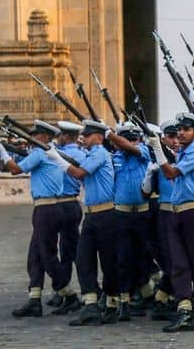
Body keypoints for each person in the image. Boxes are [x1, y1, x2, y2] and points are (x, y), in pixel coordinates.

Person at [0, 120, 70, 319]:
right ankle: (34, 299)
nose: (32, 138)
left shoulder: (41, 153)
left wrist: (3, 151)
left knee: (47, 257)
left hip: (46, 210)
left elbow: (16, 169)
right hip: (48, 209)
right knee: (35, 256)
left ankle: (69, 294)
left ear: (43, 137)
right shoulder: (51, 152)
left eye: (35, 135)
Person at [46, 120, 120, 326]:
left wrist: (56, 158)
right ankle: (90, 305)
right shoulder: (90, 155)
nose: (83, 139)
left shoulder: (99, 153)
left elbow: (79, 173)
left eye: (86, 136)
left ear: (97, 137)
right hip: (91, 215)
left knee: (108, 262)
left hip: (106, 215)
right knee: (83, 258)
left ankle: (112, 304)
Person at [148, 112, 194, 332]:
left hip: (190, 213)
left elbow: (171, 173)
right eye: (179, 130)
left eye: (186, 130)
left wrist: (157, 149)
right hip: (177, 214)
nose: (181, 134)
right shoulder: (185, 152)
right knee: (180, 262)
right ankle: (189, 308)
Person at [106, 121, 152, 321]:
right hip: (122, 214)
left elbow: (130, 148)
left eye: (134, 138)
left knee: (143, 257)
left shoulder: (142, 153)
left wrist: (109, 134)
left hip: (142, 212)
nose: (132, 142)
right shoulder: (114, 158)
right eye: (128, 138)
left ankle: (141, 295)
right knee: (123, 258)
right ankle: (124, 299)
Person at [142, 120, 179, 321]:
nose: (174, 141)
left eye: (177, 136)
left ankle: (166, 297)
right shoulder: (158, 159)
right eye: (170, 137)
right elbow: (147, 192)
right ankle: (166, 298)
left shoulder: (188, 155)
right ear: (163, 139)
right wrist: (149, 173)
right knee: (169, 258)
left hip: (187, 213)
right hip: (164, 213)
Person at [47, 121, 85, 315]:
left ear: (66, 136)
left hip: (67, 203)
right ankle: (63, 290)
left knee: (74, 251)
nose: (58, 137)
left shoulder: (72, 155)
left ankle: (87, 290)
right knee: (67, 250)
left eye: (60, 134)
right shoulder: (76, 152)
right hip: (67, 204)